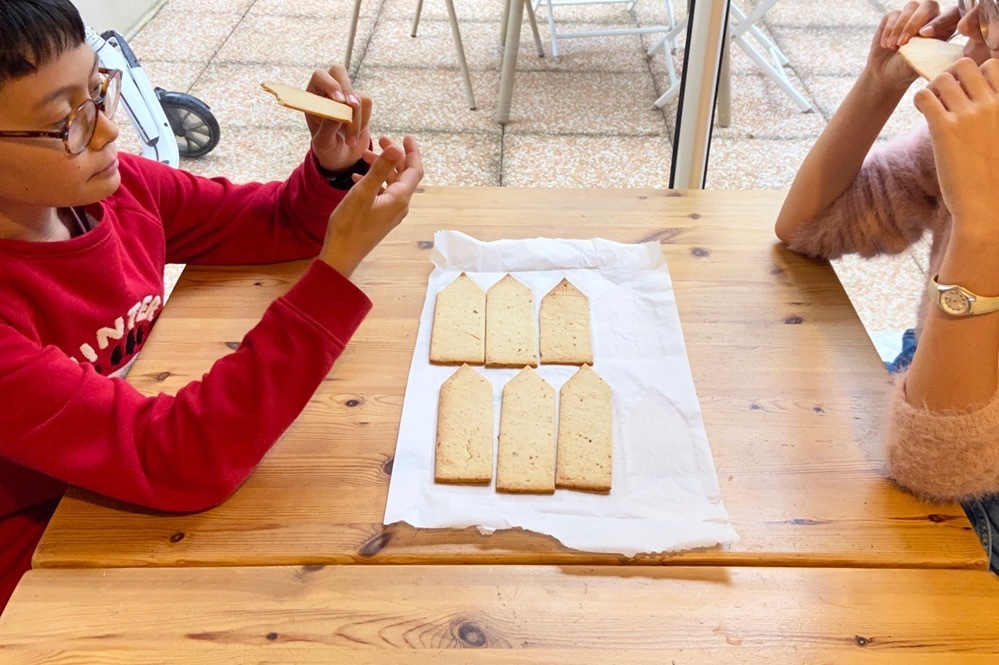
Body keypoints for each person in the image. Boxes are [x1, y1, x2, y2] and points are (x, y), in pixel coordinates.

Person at [0, 0, 424, 611]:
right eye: (66, 120)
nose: (109, 129)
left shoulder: (119, 194)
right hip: (36, 565)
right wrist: (333, 275)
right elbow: (181, 458)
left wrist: (331, 170)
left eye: (98, 90)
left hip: (128, 494)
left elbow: (268, 221)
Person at [775, 0, 999, 567]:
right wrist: (878, 85)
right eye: (976, 7)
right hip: (931, 392)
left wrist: (980, 230)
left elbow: (938, 467)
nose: (969, 30)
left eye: (992, 15)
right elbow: (809, 227)